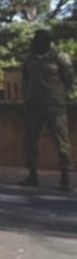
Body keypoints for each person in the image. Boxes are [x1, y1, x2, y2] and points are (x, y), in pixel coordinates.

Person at [19, 29, 75, 192]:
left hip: (54, 106)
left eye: (39, 39)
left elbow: (70, 79)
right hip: (33, 106)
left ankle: (64, 177)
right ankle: (32, 175)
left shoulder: (59, 57)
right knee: (30, 140)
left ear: (47, 41)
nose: (35, 42)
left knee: (62, 142)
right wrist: (26, 97)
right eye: (35, 39)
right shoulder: (29, 59)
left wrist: (64, 96)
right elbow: (24, 79)